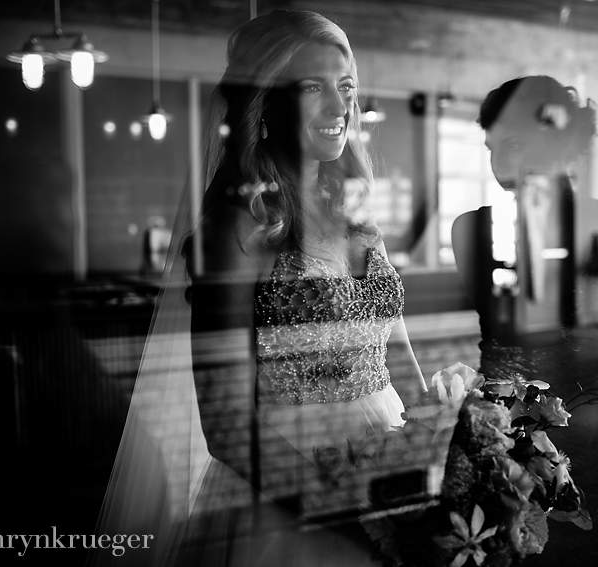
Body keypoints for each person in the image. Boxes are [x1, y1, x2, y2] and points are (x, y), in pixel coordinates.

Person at [92, 10, 427, 567]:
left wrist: (446, 445)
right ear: (264, 104)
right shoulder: (235, 230)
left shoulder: (358, 216)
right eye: (312, 88)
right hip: (287, 500)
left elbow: (397, 357)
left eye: (345, 88)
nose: (339, 108)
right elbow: (225, 425)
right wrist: (343, 506)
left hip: (389, 466)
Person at [451, 76, 598, 566]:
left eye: (513, 142)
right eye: (492, 146)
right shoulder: (472, 229)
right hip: (497, 436)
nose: (499, 160)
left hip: (584, 430)